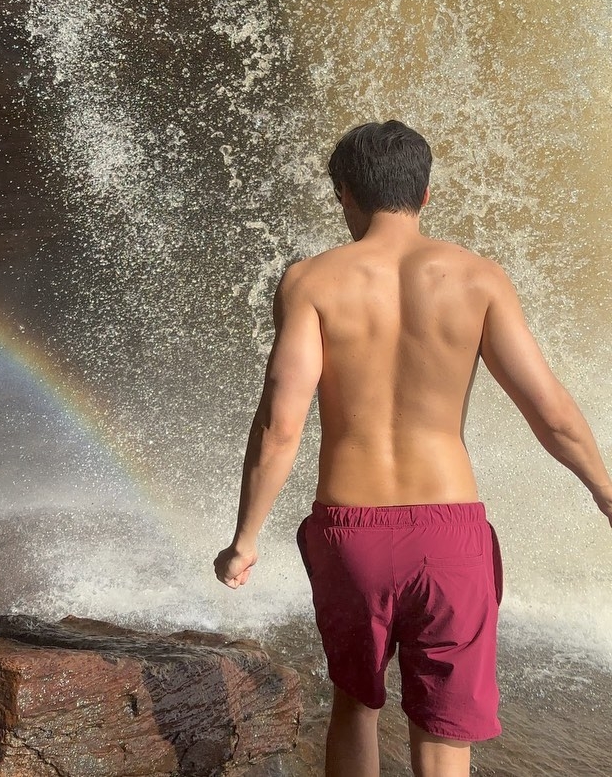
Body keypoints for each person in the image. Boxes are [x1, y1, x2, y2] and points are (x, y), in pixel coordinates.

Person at [214, 120, 612, 777]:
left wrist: (245, 538)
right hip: (449, 534)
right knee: (444, 726)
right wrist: (603, 488)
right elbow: (552, 412)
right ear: (425, 195)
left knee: (355, 705)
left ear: (344, 193)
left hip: (350, 533)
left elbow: (281, 425)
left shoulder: (310, 282)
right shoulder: (479, 280)